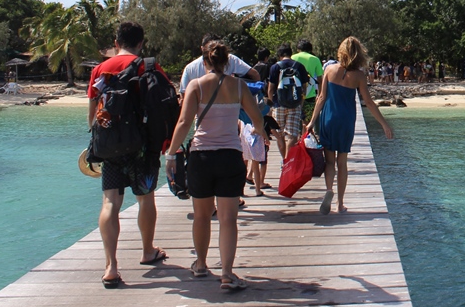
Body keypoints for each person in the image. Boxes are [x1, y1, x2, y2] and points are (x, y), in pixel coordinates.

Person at [165, 39, 267, 292]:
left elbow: (184, 122)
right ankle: (227, 274)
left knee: (201, 215)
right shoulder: (240, 86)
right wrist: (259, 131)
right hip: (230, 157)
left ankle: (200, 264)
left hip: (201, 157)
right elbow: (257, 119)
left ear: (205, 61)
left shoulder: (195, 85)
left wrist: (170, 154)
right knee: (228, 219)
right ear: (227, 61)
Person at [87, 21, 170, 289]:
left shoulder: (101, 69)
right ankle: (147, 250)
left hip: (110, 146)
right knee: (145, 198)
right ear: (141, 43)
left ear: (115, 43)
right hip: (142, 147)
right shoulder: (148, 66)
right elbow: (164, 105)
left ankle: (111, 266)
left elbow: (92, 118)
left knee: (111, 202)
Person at [307, 36, 394, 215]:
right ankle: (340, 203)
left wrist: (311, 121)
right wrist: (384, 124)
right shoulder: (359, 76)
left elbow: (321, 98)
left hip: (328, 118)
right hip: (346, 120)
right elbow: (369, 103)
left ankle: (329, 190)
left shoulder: (329, 70)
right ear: (358, 54)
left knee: (329, 161)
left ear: (341, 51)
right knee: (342, 162)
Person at [267, 43, 310, 158]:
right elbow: (304, 88)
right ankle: (287, 161)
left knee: (279, 135)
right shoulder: (299, 66)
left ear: (280, 55)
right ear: (291, 54)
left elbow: (271, 88)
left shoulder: (275, 67)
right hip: (295, 104)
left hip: (278, 104)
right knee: (292, 135)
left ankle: (284, 160)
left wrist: (270, 106)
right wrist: (301, 102)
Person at [179, 33, 259, 93]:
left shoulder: (190, 68)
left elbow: (183, 93)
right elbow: (254, 74)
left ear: (202, 49)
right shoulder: (237, 83)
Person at [291, 39, 324, 106]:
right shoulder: (315, 59)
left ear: (298, 49)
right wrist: (319, 94)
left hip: (293, 92)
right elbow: (320, 79)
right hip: (310, 93)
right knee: (309, 115)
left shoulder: (292, 57)